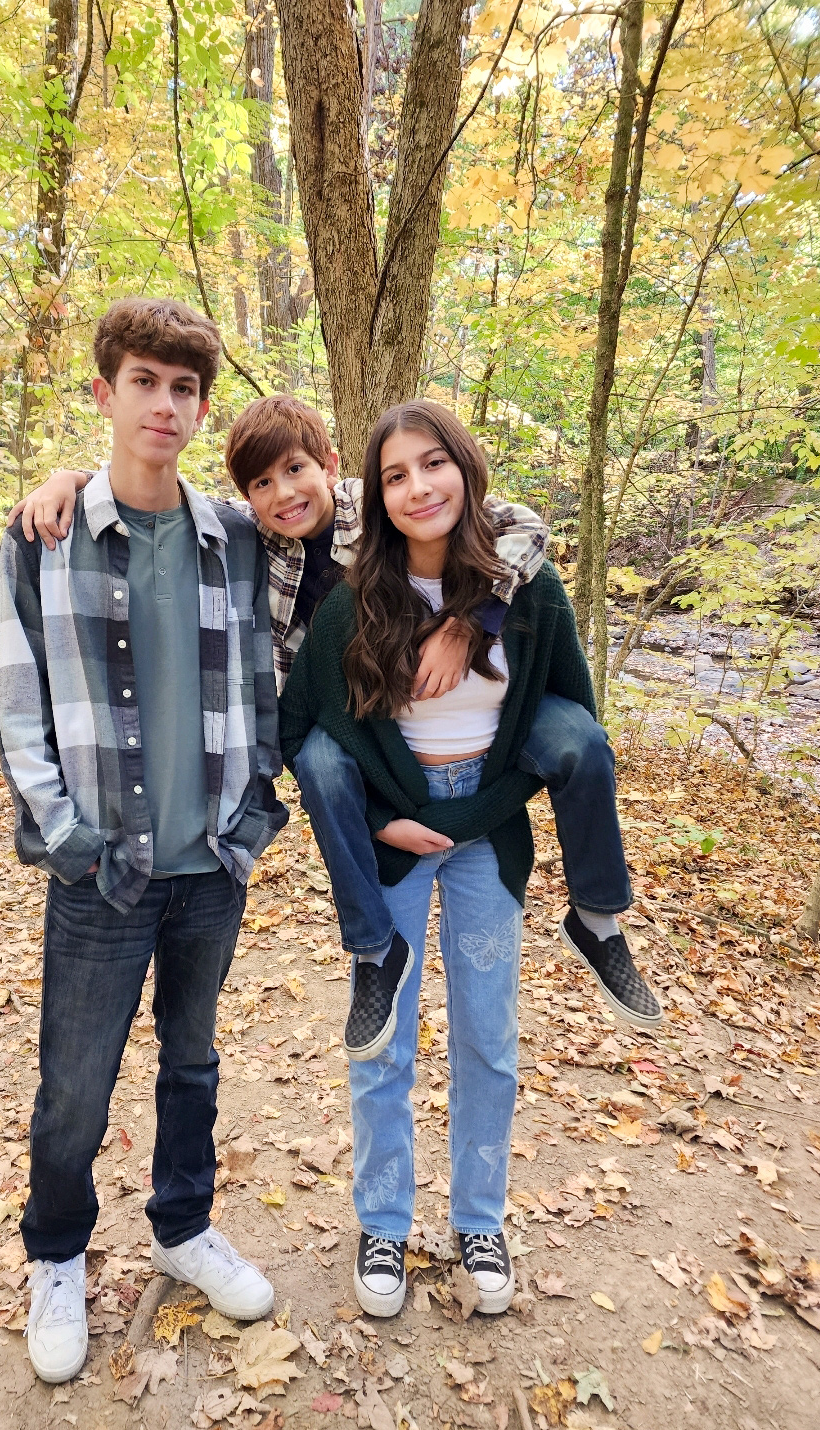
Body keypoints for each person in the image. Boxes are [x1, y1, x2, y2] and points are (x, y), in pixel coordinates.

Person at [10, 399, 662, 1062]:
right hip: (347, 712)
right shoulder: (253, 536)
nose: (284, 493)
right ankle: (374, 950)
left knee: (577, 739)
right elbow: (168, 504)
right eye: (261, 484)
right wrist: (74, 479)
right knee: (321, 767)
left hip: (447, 703)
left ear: (328, 466)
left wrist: (473, 621)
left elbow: (518, 523)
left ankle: (597, 918)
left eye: (295, 470)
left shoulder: (381, 504)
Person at [280, 399, 633, 1318]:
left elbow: (561, 731)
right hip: (395, 834)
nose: (417, 487)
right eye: (394, 475)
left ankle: (479, 1218)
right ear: (377, 495)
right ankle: (384, 1226)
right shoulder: (354, 599)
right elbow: (315, 730)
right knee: (381, 1039)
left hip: (489, 832)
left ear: (465, 469)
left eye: (432, 464)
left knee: (487, 1035)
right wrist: (382, 819)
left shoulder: (524, 590)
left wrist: (482, 809)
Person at [0, 298, 288, 1385]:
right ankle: (58, 1255)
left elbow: (394, 520)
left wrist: (251, 814)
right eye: (143, 383)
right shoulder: (45, 534)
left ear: (200, 405)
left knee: (192, 1063)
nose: (163, 404)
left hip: (209, 862)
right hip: (100, 868)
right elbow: (20, 702)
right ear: (104, 392)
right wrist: (65, 837)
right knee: (74, 1081)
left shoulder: (240, 536)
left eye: (182, 388)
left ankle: (180, 1224)